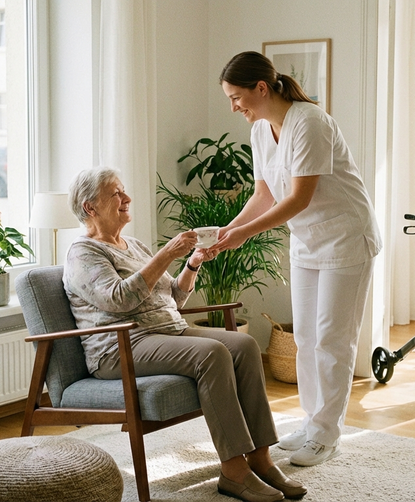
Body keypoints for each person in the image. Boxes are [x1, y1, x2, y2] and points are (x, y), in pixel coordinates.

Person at [62, 167, 307, 502]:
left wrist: (192, 263)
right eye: (116, 193)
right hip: (121, 346)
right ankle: (234, 472)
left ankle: (260, 459)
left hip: (166, 331)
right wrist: (166, 254)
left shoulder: (131, 245)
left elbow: (172, 299)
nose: (126, 198)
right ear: (90, 207)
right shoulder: (83, 252)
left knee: (244, 345)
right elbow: (119, 299)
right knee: (211, 353)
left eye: (123, 191)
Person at [214, 51, 382, 467]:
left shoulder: (310, 122)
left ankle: (327, 434)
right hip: (307, 242)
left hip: (345, 239)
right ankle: (311, 423)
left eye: (237, 97)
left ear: (261, 88)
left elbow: (298, 197)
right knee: (305, 338)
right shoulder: (258, 132)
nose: (234, 107)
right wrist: (226, 231)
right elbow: (264, 194)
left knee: (332, 340)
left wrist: (242, 236)